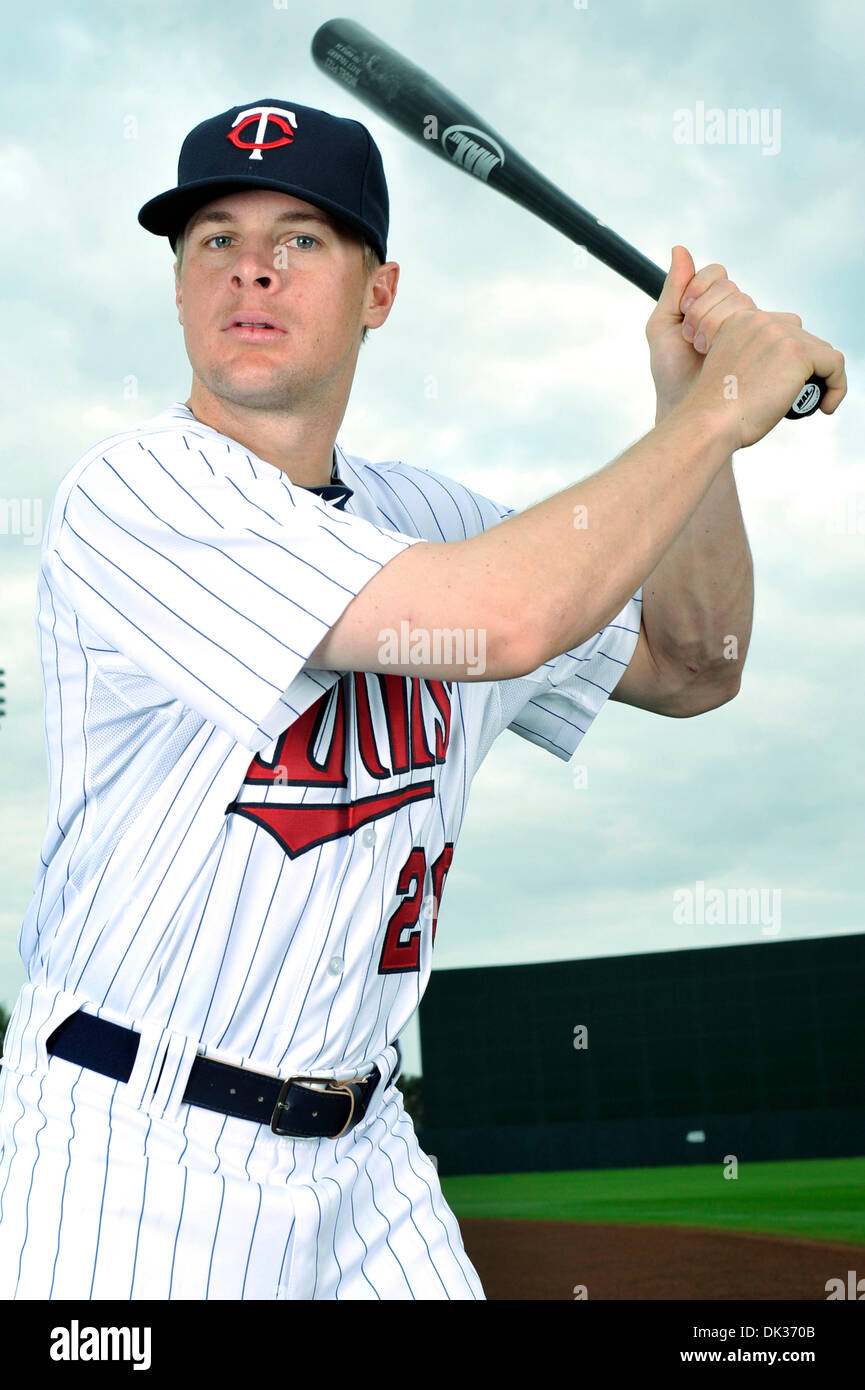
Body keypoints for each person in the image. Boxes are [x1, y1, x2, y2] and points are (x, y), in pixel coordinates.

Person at [0, 99, 845, 1301]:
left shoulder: (435, 517)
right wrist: (723, 407)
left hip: (366, 1151)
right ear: (180, 290)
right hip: (129, 1148)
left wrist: (692, 416)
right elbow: (506, 617)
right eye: (212, 240)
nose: (250, 265)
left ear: (378, 294)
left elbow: (697, 661)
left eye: (301, 238)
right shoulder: (136, 496)